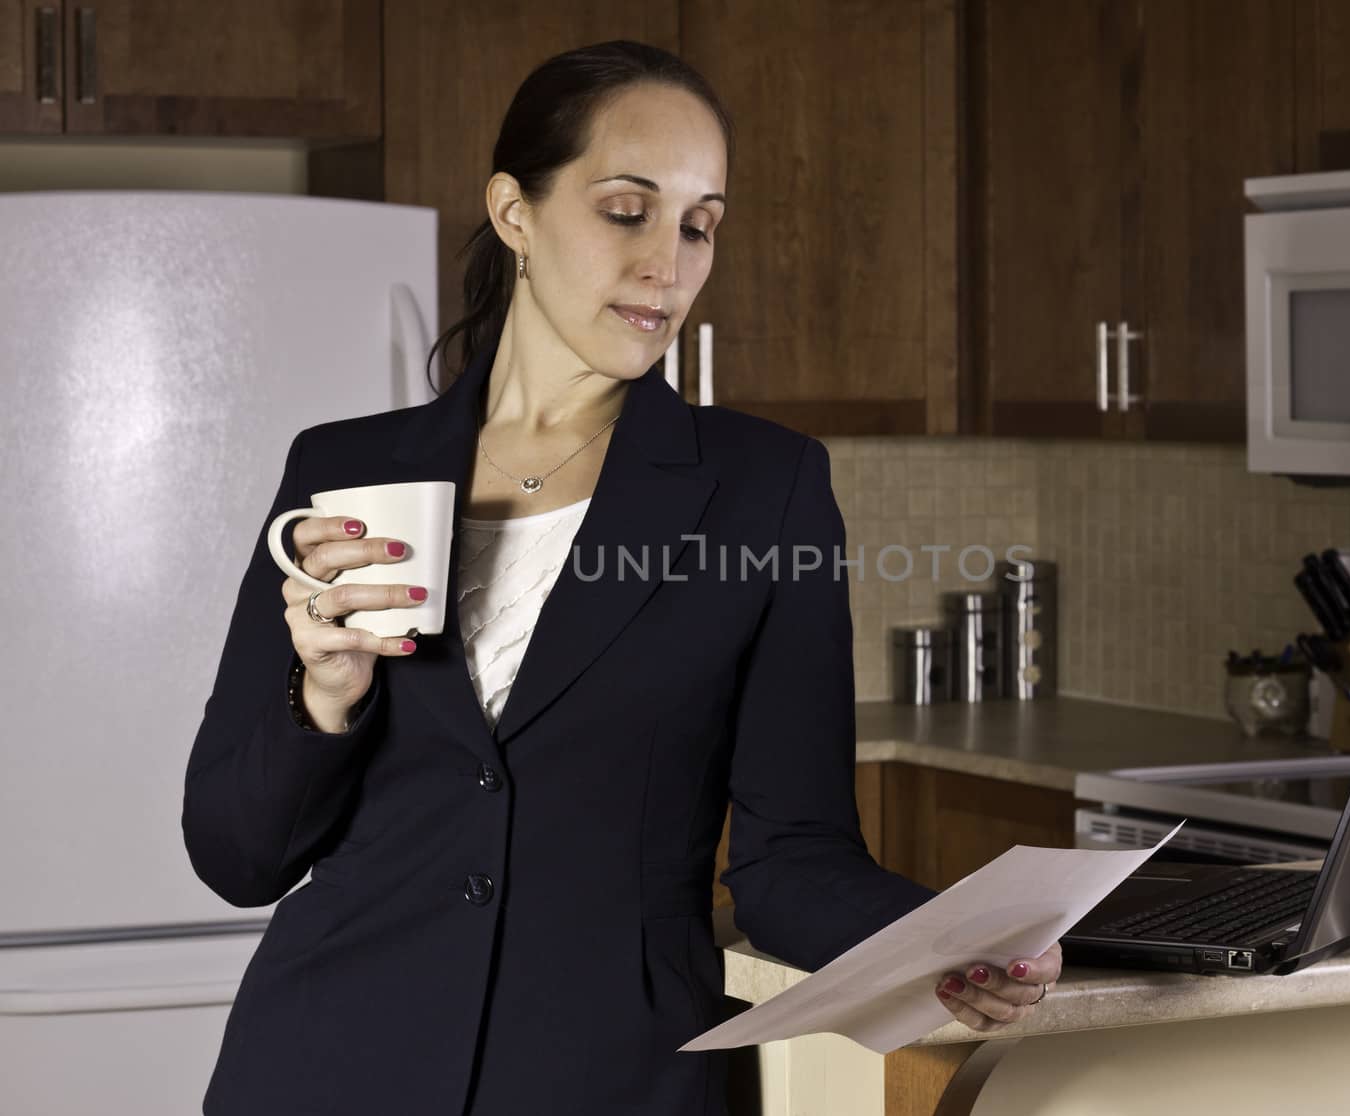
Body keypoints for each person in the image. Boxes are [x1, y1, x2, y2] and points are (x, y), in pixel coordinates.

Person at [182, 40, 1061, 1116]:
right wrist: (319, 697)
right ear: (515, 212)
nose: (670, 263)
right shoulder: (346, 471)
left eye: (698, 225)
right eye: (626, 209)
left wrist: (954, 944)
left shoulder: (762, 489)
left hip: (616, 1078)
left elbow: (793, 864)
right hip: (327, 1066)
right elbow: (236, 857)